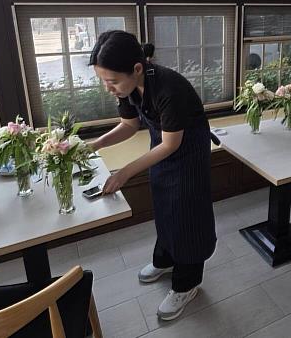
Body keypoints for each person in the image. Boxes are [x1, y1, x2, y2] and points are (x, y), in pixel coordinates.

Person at [88, 30, 216, 321]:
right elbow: (128, 126)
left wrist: (124, 173)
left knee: (187, 217)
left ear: (136, 68)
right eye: (104, 82)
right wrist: (94, 145)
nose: (110, 88)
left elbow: (173, 144)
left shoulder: (169, 87)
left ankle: (187, 284)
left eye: (112, 81)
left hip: (188, 154)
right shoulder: (128, 85)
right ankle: (166, 259)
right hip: (162, 148)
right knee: (165, 208)